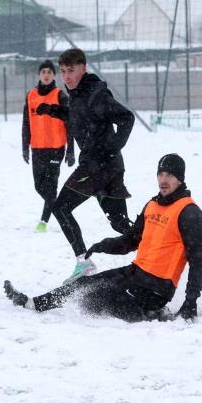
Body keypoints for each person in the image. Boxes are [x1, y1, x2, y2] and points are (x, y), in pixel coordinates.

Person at [4, 154, 202, 322]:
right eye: (160, 174)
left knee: (100, 297)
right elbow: (131, 241)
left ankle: (148, 315)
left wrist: (191, 302)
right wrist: (104, 245)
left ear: (180, 178)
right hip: (135, 274)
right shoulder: (152, 205)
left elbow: (198, 262)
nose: (163, 180)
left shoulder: (189, 212)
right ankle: (34, 303)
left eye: (169, 175)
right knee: (84, 287)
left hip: (156, 289)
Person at [45, 48, 135, 284]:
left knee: (61, 208)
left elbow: (126, 117)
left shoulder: (95, 94)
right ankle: (158, 247)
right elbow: (81, 118)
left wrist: (113, 145)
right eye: (63, 72)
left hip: (97, 167)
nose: (66, 76)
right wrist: (54, 111)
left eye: (71, 70)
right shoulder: (77, 95)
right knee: (121, 224)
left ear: (83, 68)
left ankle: (83, 262)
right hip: (110, 167)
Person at [22, 60, 75, 233]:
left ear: (54, 75)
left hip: (55, 149)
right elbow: (26, 123)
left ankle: (43, 222)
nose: (46, 75)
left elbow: (70, 123)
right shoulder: (31, 96)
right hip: (37, 149)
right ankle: (59, 207)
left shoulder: (60, 95)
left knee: (51, 187)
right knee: (39, 186)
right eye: (43, 72)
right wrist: (25, 147)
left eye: (49, 72)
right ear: (39, 75)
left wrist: (71, 150)